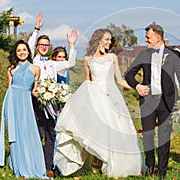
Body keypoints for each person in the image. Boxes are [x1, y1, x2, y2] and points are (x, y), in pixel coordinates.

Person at [54, 28, 145, 178]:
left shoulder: (112, 57)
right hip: (94, 95)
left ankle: (106, 162)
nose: (109, 42)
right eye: (106, 39)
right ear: (98, 40)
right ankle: (95, 161)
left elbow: (120, 80)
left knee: (112, 128)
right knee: (93, 129)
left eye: (110, 40)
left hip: (111, 96)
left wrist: (137, 88)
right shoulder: (87, 59)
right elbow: (88, 80)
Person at [125, 23, 180, 179]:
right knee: (147, 136)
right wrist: (137, 86)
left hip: (166, 101)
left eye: (148, 37)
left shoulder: (174, 54)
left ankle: (162, 170)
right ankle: (150, 166)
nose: (146, 40)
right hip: (148, 101)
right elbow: (129, 74)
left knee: (164, 137)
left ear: (158, 38)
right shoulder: (143, 54)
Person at [28, 13, 78, 172]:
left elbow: (70, 63)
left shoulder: (51, 63)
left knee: (51, 135)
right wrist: (36, 29)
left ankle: (48, 166)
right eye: (41, 44)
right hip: (36, 101)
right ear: (37, 46)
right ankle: (34, 164)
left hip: (52, 102)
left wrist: (71, 45)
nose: (44, 47)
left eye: (46, 45)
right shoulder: (32, 60)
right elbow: (28, 46)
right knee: (38, 133)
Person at [0, 40, 47, 178]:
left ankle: (32, 164)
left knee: (29, 133)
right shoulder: (11, 69)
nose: (22, 52)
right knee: (16, 134)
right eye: (19, 50)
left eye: (24, 49)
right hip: (12, 102)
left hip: (26, 103)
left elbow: (34, 91)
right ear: (15, 53)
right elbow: (9, 88)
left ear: (28, 51)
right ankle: (18, 164)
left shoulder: (36, 69)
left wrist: (46, 93)